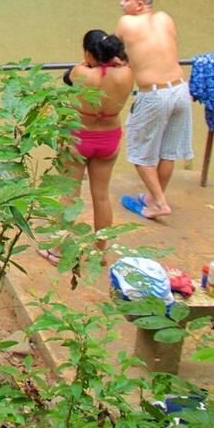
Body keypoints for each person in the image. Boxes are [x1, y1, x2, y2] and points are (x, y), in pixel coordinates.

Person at [45, 30, 134, 264]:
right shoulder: (127, 73)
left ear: (88, 53)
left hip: (79, 137)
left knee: (69, 195)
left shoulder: (81, 72)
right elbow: (126, 61)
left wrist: (86, 63)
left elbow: (68, 79)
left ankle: (58, 250)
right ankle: (100, 251)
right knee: (102, 196)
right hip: (109, 138)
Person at [115, 0, 190, 219]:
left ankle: (158, 203)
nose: (121, 3)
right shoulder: (165, 18)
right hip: (180, 89)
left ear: (139, 4)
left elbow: (117, 53)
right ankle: (152, 197)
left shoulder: (126, 23)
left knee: (139, 153)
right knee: (168, 151)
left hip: (155, 93)